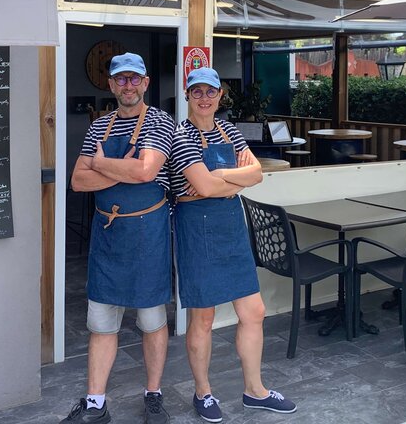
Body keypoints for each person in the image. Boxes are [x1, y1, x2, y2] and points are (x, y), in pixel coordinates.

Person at [169, 67, 297, 423]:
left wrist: (222, 176)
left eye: (211, 92)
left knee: (253, 312)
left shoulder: (229, 131)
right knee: (203, 317)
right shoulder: (181, 136)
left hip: (230, 226)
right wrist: (232, 180)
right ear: (188, 96)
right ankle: (203, 392)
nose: (205, 99)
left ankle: (255, 391)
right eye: (197, 93)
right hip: (196, 228)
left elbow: (256, 172)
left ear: (220, 96)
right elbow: (204, 189)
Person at [64, 53, 175, 424]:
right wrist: (119, 168)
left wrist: (99, 164)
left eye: (134, 79)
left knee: (152, 321)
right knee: (101, 323)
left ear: (145, 83)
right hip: (108, 240)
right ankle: (96, 404)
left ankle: (154, 395)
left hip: (148, 236)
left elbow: (146, 171)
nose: (127, 86)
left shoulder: (160, 121)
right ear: (111, 86)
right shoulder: (100, 126)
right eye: (120, 80)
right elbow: (78, 181)